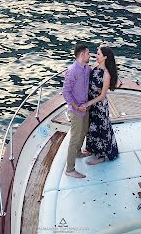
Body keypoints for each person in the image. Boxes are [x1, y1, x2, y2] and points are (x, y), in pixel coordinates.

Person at [83, 46, 119, 165]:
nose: (96, 56)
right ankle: (92, 149)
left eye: (98, 54)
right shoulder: (96, 67)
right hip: (92, 104)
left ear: (105, 57)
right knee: (92, 128)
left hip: (99, 106)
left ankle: (102, 156)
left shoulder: (106, 74)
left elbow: (103, 95)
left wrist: (89, 103)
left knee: (101, 130)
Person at [62, 42, 91, 178]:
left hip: (85, 107)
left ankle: (79, 152)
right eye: (88, 53)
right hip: (76, 110)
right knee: (74, 137)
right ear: (81, 55)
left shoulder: (86, 68)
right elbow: (66, 92)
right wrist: (76, 106)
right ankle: (69, 169)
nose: (89, 55)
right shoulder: (72, 71)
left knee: (83, 131)